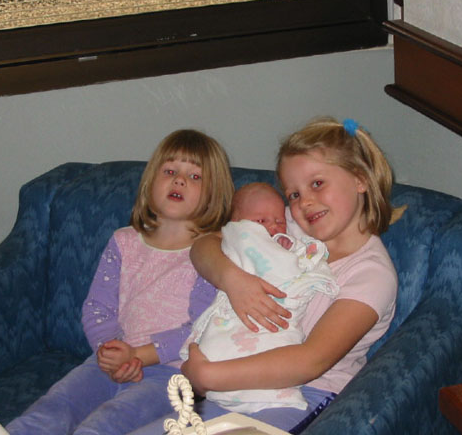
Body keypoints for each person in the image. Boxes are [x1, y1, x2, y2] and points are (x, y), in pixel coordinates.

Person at [128, 117, 401, 435]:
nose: (304, 202)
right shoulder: (286, 225)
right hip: (232, 386)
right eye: (293, 194)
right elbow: (204, 246)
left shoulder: (371, 274)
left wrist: (208, 376)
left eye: (317, 184)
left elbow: (311, 361)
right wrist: (232, 279)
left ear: (360, 179)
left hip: (301, 398)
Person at [6, 129, 234, 435]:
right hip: (109, 363)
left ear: (214, 195)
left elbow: (200, 328)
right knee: (51, 409)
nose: (179, 180)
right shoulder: (124, 241)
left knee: (106, 425)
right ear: (150, 182)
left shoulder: (211, 253)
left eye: (195, 177)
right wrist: (110, 352)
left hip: (171, 375)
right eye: (169, 171)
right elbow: (97, 307)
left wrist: (138, 355)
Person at [180, 182, 338, 413]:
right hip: (230, 324)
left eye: (279, 221)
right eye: (261, 221)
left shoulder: (296, 231)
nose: (273, 227)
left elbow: (292, 264)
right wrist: (232, 279)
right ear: (236, 223)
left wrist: (289, 250)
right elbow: (204, 244)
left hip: (277, 343)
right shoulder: (240, 236)